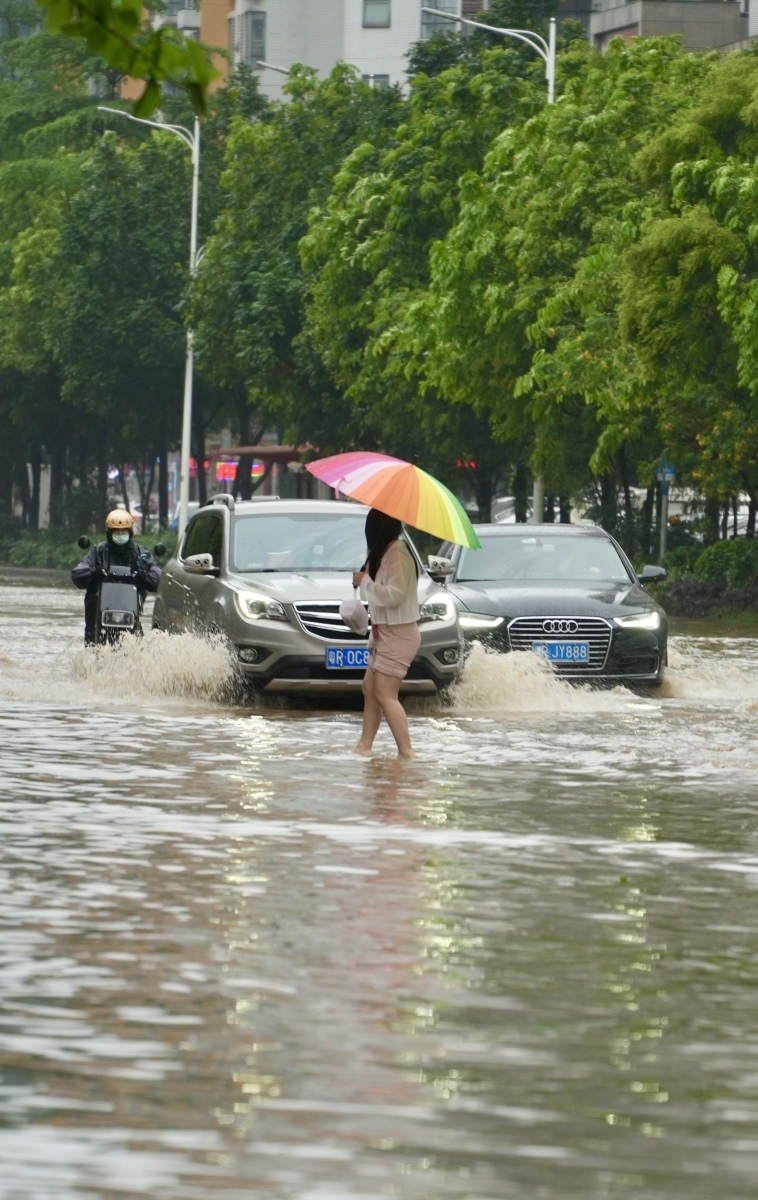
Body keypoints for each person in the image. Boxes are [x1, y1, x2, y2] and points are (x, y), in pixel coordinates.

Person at [352, 508, 420, 760]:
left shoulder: (399, 555)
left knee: (385, 693)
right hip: (385, 634)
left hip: (400, 634)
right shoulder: (386, 554)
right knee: (370, 687)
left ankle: (407, 752)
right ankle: (364, 746)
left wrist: (366, 583)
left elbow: (395, 595)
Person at [71, 509, 162, 645]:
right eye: (116, 532)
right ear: (109, 533)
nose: (120, 534)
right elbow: (78, 572)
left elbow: (156, 575)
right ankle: (93, 653)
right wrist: (94, 572)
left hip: (130, 606)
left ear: (130, 532)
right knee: (92, 640)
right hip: (99, 609)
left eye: (123, 531)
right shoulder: (98, 551)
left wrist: (144, 575)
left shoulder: (140, 553)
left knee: (139, 643)